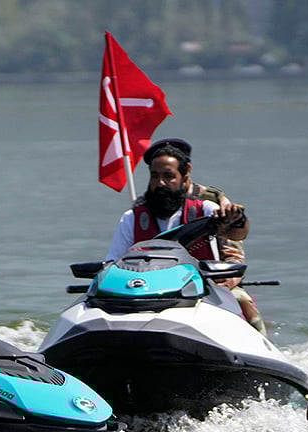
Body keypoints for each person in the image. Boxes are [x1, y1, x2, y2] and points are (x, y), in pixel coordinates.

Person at [104, 139, 265, 333]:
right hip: (147, 291)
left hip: (202, 289)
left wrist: (235, 220)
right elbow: (112, 264)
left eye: (168, 176)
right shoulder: (134, 216)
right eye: (154, 176)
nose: (160, 183)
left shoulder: (207, 208)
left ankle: (264, 347)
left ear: (185, 174)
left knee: (241, 299)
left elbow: (235, 234)